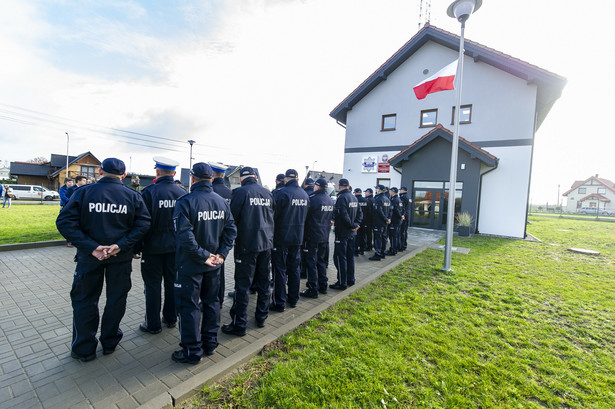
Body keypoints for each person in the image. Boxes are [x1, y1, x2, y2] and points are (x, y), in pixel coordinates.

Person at [56, 158, 151, 362]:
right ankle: (110, 342)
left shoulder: (83, 192)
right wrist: (120, 245)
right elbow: (143, 225)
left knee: (85, 301)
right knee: (116, 299)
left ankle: (84, 348)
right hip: (120, 258)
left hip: (89, 259)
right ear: (123, 175)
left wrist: (92, 247)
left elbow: (64, 221)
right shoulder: (132, 195)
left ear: (100, 171)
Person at [172, 162, 236, 364]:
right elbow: (231, 231)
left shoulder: (185, 201)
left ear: (192, 178)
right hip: (214, 263)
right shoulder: (221, 201)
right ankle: (210, 343)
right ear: (211, 178)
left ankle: (192, 351)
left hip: (191, 264)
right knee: (212, 302)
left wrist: (204, 255)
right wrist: (221, 255)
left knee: (189, 306)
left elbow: (184, 236)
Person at [222, 167, 274, 336]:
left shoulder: (240, 193)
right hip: (266, 244)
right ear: (255, 177)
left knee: (242, 286)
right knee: (264, 282)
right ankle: (261, 317)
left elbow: (232, 219)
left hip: (246, 245)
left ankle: (239, 324)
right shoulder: (267, 193)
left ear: (242, 179)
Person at [137, 157, 186, 334]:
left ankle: (153, 324)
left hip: (153, 248)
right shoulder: (182, 194)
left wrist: (137, 247)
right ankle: (171, 318)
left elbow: (141, 223)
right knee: (173, 283)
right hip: (176, 248)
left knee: (152, 285)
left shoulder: (148, 192)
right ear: (174, 173)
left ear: (157, 172)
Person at [271, 169, 309, 311]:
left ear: (286, 179)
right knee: (294, 269)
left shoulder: (281, 193)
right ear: (298, 179)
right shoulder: (304, 195)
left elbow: (273, 216)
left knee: (279, 270)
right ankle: (293, 299)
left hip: (281, 238)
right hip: (297, 238)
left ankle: (279, 302)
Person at [300, 178, 334, 298]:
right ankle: (323, 285)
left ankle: (312, 288)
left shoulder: (313, 199)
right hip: (324, 235)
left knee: (311, 262)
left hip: (312, 235)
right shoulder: (329, 200)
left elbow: (305, 217)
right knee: (321, 261)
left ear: (317, 186)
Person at [330, 179, 361, 290]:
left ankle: (342, 282)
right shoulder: (354, 197)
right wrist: (356, 224)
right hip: (352, 233)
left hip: (343, 232)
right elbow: (360, 213)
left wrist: (352, 225)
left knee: (339, 257)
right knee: (350, 257)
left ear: (339, 186)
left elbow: (343, 214)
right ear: (348, 186)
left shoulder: (342, 198)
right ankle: (350, 279)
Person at [209, 161, 232, 307]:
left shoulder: (208, 190)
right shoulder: (230, 192)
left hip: (208, 235)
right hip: (224, 237)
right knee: (221, 270)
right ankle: (220, 299)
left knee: (208, 271)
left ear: (212, 173)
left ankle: (210, 301)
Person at [369, 185, 391, 261]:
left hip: (379, 222)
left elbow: (379, 211)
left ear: (380, 190)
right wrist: (388, 219)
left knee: (378, 238)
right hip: (385, 222)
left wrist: (385, 219)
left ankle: (378, 254)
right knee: (383, 238)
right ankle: (382, 253)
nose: (375, 190)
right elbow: (390, 211)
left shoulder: (379, 199)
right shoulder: (387, 199)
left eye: (377, 189)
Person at [386, 187, 404, 256]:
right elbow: (402, 209)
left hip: (394, 220)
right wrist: (402, 216)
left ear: (393, 192)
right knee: (395, 235)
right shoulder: (398, 199)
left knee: (393, 236)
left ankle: (393, 250)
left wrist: (400, 216)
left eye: (390, 191)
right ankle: (393, 249)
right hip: (398, 220)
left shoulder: (394, 200)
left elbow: (396, 210)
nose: (389, 192)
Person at [353, 188, 367, 256]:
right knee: (363, 235)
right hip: (364, 221)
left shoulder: (354, 200)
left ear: (355, 193)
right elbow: (369, 211)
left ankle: (355, 251)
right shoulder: (366, 200)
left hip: (356, 221)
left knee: (356, 236)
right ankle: (362, 250)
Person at [399, 187, 411, 251]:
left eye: (400, 190)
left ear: (403, 191)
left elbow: (402, 207)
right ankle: (404, 245)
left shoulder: (403, 197)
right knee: (405, 231)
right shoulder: (409, 197)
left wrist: (402, 215)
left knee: (401, 231)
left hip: (404, 216)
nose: (399, 191)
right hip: (407, 215)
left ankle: (401, 246)